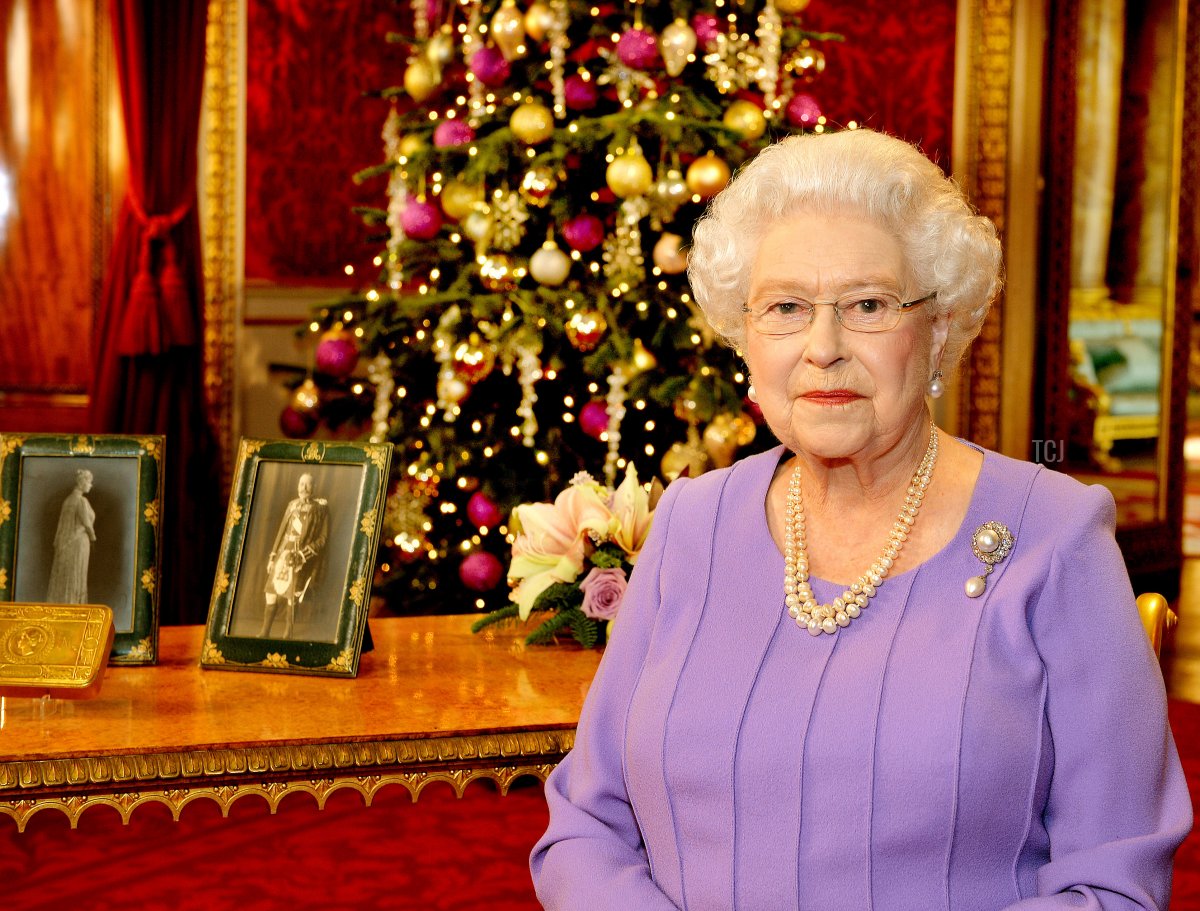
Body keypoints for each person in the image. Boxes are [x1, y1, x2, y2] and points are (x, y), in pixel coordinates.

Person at [530, 129, 1191, 909]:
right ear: (745, 335)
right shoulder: (689, 523)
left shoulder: (1056, 537)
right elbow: (585, 823)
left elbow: (1112, 884)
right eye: (784, 307)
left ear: (939, 328)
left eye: (868, 305)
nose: (823, 347)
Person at [258, 472, 329, 639]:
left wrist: (303, 555)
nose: (303, 488)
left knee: (292, 596)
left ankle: (287, 634)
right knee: (271, 592)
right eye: (301, 484)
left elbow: (323, 539)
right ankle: (265, 632)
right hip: (283, 555)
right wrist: (273, 556)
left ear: (314, 487)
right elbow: (282, 531)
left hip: (301, 558)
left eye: (307, 484)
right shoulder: (292, 505)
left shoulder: (320, 509)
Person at [46, 469, 96, 604]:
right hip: (79, 542)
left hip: (67, 542)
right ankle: (74, 604)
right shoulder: (81, 501)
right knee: (76, 573)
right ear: (82, 483)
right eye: (89, 482)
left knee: (69, 572)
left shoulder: (68, 500)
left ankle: (68, 602)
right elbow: (86, 523)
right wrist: (93, 537)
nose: (91, 485)